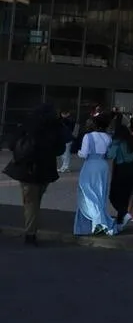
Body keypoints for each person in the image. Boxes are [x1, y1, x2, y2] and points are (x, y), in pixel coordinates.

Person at [3, 102, 65, 245]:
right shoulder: (55, 127)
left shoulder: (28, 124)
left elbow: (11, 144)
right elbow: (60, 149)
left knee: (30, 202)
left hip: (26, 168)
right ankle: (33, 225)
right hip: (46, 169)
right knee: (36, 199)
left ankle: (30, 232)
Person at [74, 113, 119, 237]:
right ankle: (99, 221)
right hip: (103, 165)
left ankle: (98, 221)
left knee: (87, 192)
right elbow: (109, 154)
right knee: (100, 193)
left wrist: (78, 152)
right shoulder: (108, 137)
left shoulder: (88, 136)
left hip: (90, 165)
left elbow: (84, 154)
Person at [106, 120, 133, 226]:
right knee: (125, 196)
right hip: (131, 169)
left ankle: (124, 214)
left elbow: (110, 155)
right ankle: (121, 218)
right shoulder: (132, 141)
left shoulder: (118, 142)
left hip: (120, 169)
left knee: (114, 196)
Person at [58, 109, 76, 174]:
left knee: (66, 153)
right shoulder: (64, 120)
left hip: (67, 138)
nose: (63, 115)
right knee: (64, 153)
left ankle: (65, 167)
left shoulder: (69, 120)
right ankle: (64, 166)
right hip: (64, 138)